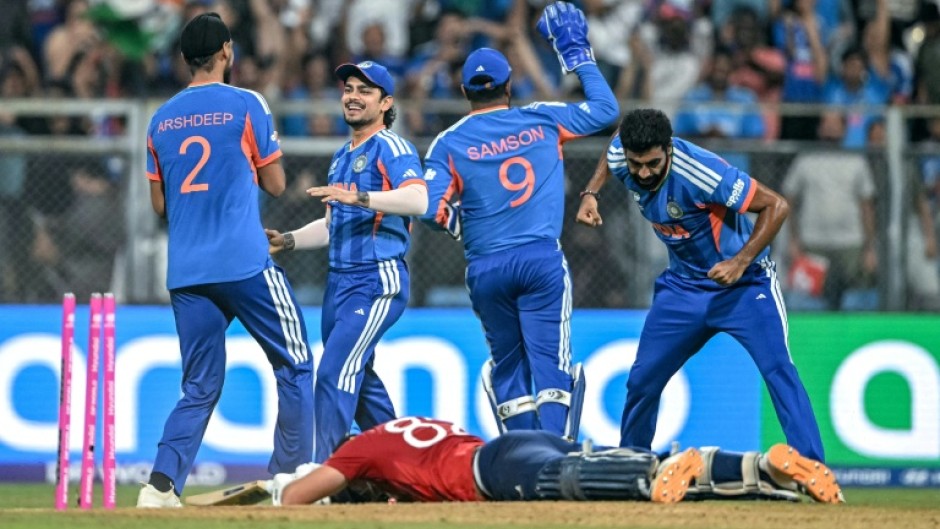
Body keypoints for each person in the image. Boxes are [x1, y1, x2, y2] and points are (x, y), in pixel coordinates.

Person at [575, 108, 826, 463]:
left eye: (653, 164)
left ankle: (813, 470)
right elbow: (613, 147)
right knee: (642, 383)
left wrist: (740, 262)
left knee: (779, 371)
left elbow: (777, 206)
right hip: (683, 288)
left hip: (744, 286)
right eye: (636, 165)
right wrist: (591, 193)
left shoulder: (704, 173)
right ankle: (630, 467)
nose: (644, 173)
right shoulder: (623, 153)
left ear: (669, 149)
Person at [420, 1, 619, 440]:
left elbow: (429, 209)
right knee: (552, 367)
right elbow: (606, 111)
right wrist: (577, 54)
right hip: (540, 260)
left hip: (487, 266)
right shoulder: (542, 118)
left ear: (465, 90)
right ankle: (554, 461)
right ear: (509, 86)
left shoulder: (448, 142)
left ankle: (522, 462)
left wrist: (461, 226)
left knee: (508, 369)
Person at [138, 13, 314, 507]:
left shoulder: (161, 118)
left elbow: (160, 206)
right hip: (244, 262)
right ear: (226, 52)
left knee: (198, 385)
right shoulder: (245, 103)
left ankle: (160, 487)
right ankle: (290, 479)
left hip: (188, 272)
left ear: (184, 59)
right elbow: (276, 184)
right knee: (296, 363)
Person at [265, 61, 428, 463]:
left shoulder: (392, 146)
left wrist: (361, 197)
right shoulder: (342, 155)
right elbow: (330, 225)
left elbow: (418, 200)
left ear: (386, 103)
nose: (353, 96)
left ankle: (321, 475)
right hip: (338, 285)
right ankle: (405, 469)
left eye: (365, 90)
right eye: (349, 88)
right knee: (362, 385)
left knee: (334, 374)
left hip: (376, 279)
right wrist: (287, 241)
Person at [272, 416, 844, 505]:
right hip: (513, 440)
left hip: (491, 473)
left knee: (565, 483)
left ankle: (648, 479)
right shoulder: (409, 427)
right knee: (666, 463)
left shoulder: (359, 449)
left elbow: (296, 498)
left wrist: (288, 487)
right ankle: (764, 469)